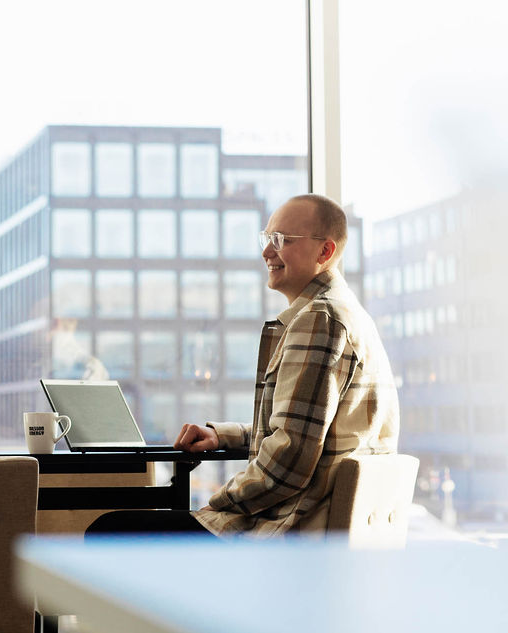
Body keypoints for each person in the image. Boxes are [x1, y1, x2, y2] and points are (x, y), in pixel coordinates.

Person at [87, 193, 399, 537]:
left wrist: (219, 503)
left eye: (280, 240)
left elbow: (290, 462)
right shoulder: (352, 315)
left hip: (287, 532)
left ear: (324, 252)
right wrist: (224, 435)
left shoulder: (318, 319)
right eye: (267, 239)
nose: (267, 252)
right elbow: (307, 433)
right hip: (315, 527)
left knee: (109, 530)